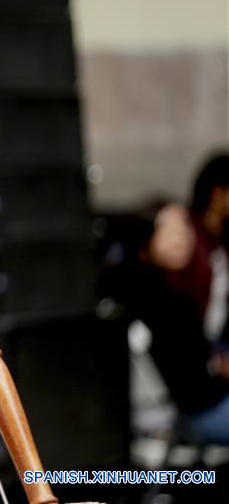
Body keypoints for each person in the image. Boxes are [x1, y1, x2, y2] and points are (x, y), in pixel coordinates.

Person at [116, 153, 229, 444]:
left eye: (185, 231)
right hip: (199, 406)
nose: (183, 239)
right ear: (148, 241)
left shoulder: (182, 289)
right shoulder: (152, 290)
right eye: (171, 232)